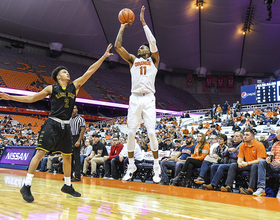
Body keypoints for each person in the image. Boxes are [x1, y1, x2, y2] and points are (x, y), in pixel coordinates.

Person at [0, 44, 113, 203]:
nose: (68, 73)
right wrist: (10, 97)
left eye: (67, 72)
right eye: (64, 72)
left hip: (66, 126)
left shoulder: (75, 86)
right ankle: (26, 185)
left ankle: (67, 185)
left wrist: (103, 56)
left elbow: (90, 71)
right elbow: (31, 98)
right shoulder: (51, 88)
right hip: (52, 124)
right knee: (40, 153)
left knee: (67, 157)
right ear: (59, 77)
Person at [114, 6, 161, 182]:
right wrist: (122, 26)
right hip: (134, 98)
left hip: (149, 98)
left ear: (148, 51)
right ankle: (131, 165)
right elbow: (118, 46)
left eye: (143, 47)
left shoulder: (153, 61)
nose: (140, 48)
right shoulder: (133, 60)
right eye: (140, 47)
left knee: (151, 133)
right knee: (131, 133)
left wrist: (143, 23)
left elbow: (153, 41)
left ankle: (157, 167)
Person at [220, 129, 267, 194]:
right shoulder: (243, 145)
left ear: (252, 137)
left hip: (256, 165)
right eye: (244, 135)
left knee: (254, 166)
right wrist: (240, 163)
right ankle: (228, 186)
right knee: (233, 165)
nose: (245, 136)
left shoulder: (259, 145)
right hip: (246, 164)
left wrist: (247, 163)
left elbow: (260, 160)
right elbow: (240, 158)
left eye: (247, 135)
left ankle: (250, 189)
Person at [253, 128, 280, 196]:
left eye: (277, 133)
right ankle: (261, 187)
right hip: (274, 165)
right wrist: (269, 159)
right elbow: (271, 155)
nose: (275, 135)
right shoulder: (276, 144)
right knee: (262, 161)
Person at [69, 105, 85, 181]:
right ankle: (70, 175)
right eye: (72, 108)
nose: (73, 110)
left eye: (74, 108)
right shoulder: (70, 119)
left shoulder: (81, 119)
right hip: (70, 138)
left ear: (77, 110)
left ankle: (78, 176)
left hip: (76, 137)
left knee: (77, 158)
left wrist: (78, 140)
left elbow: (82, 131)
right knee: (70, 158)